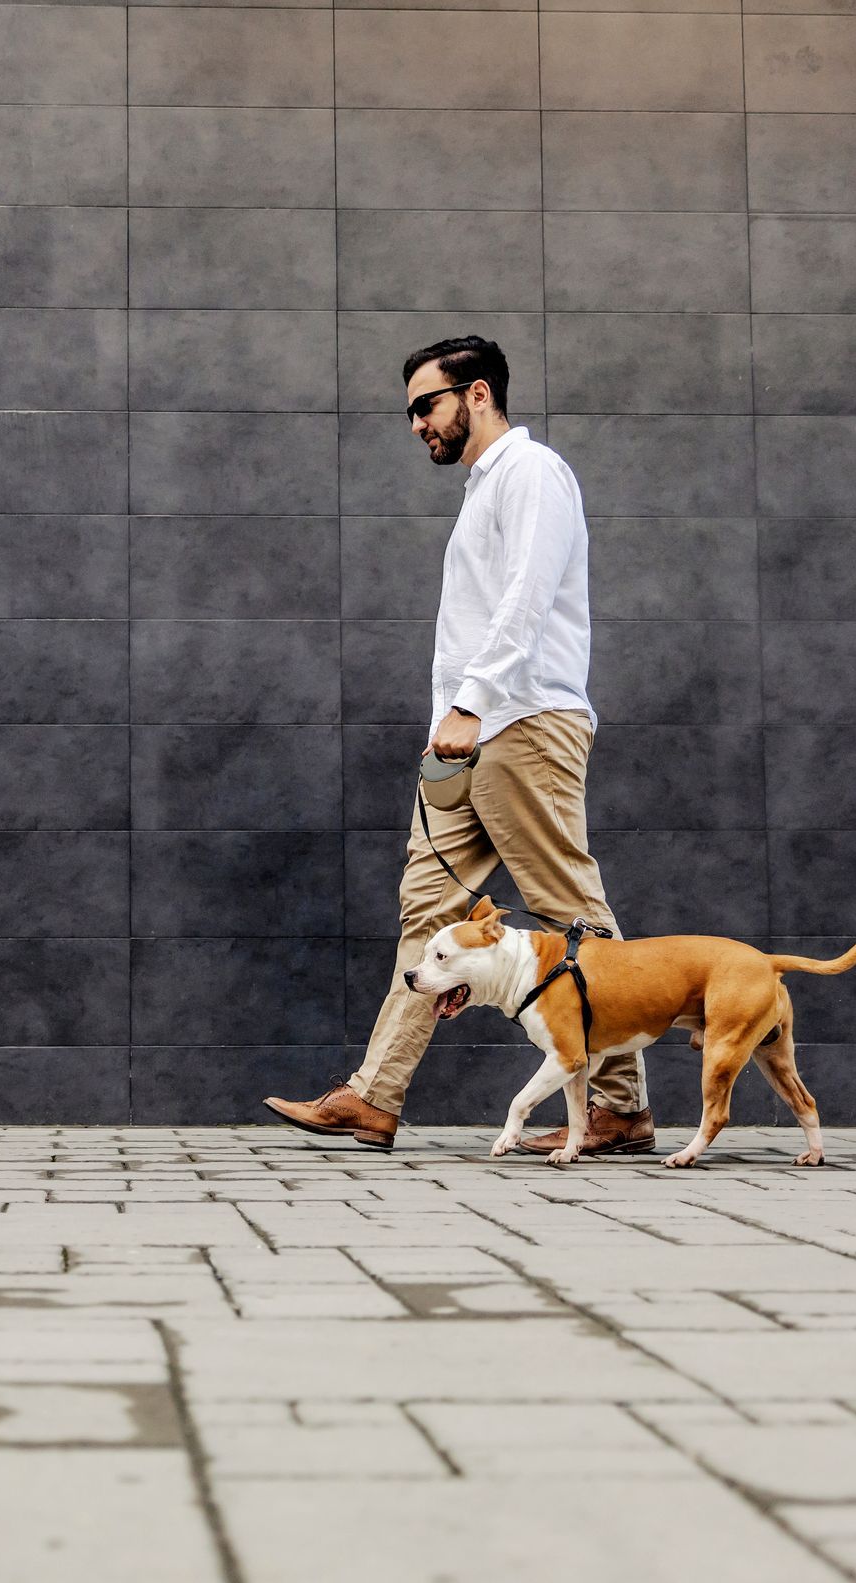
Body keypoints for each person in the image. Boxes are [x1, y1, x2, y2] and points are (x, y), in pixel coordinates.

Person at [262, 335, 652, 1155]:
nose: (415, 425)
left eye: (425, 406)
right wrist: (452, 727)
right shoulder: (482, 491)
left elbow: (528, 596)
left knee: (569, 908)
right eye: (410, 411)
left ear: (476, 395)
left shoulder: (531, 471)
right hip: (465, 741)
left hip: (523, 724)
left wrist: (472, 703)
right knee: (427, 910)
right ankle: (375, 1096)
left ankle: (619, 1107)